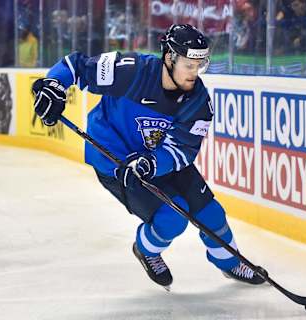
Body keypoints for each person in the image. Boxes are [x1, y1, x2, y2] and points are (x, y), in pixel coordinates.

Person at [31, 24, 265, 289]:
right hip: (116, 162)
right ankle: (146, 250)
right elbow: (76, 66)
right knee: (172, 218)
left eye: (200, 65)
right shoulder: (130, 70)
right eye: (189, 65)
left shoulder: (199, 102)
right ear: (169, 57)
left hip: (157, 158)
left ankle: (229, 261)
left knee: (211, 213)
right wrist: (53, 85)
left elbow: (183, 148)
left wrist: (153, 163)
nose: (195, 73)